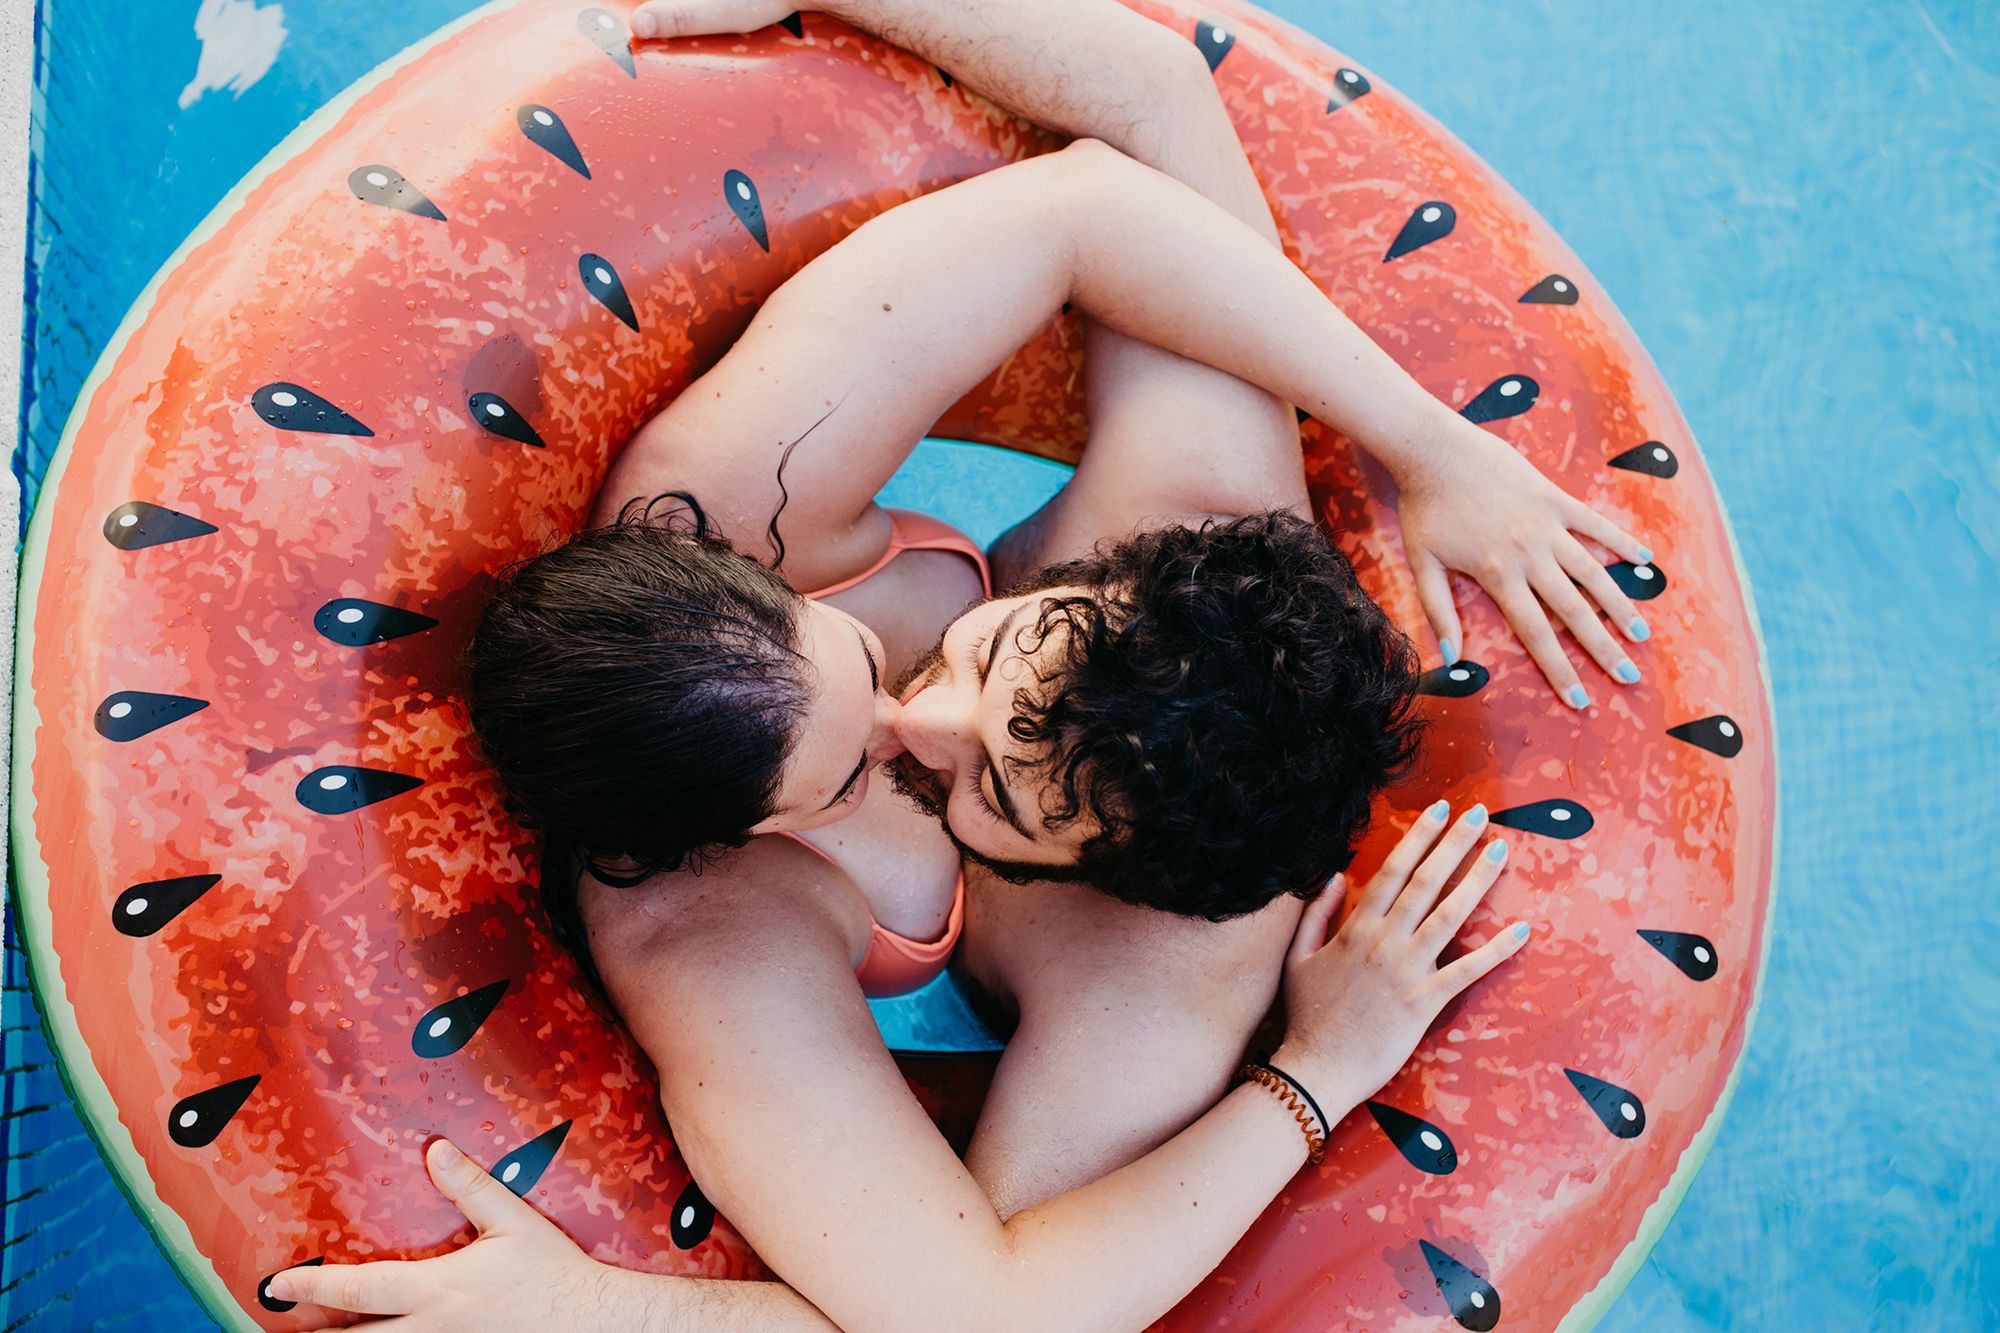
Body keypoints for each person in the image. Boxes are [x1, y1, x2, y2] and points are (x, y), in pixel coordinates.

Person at [276, 2, 1654, 1327]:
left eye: (997, 782)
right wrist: (1433, 446)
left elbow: (981, 1319)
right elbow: (1142, 112)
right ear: (1102, 580)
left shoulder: (1157, 993)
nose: (915, 704)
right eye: (1003, 650)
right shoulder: (1119, 513)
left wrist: (1319, 1068)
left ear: (1099, 873)